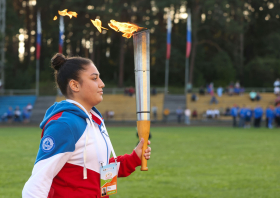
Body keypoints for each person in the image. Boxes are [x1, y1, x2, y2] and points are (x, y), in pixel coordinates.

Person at [22, 53, 152, 198]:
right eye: (94, 78)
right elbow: (37, 184)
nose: (102, 83)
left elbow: (100, 170)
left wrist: (135, 157)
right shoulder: (64, 124)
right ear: (75, 85)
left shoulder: (95, 121)